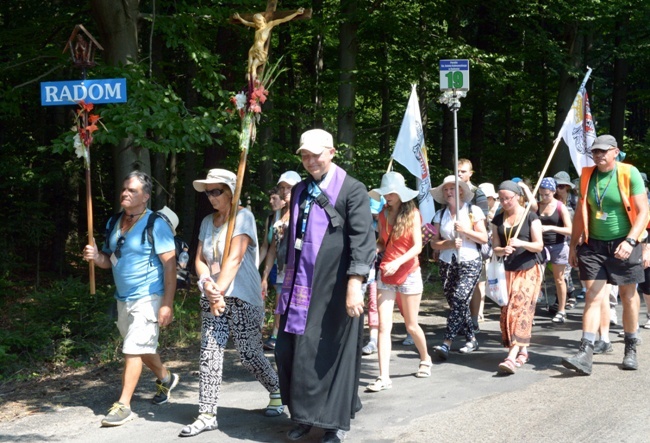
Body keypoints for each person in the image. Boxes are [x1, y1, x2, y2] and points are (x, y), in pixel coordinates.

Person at [274, 129, 375, 443]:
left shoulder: (353, 190)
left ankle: (334, 423)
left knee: (330, 352)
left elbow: (363, 240)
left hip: (336, 286)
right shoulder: (302, 189)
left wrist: (354, 283)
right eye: (304, 155)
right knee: (291, 350)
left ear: (332, 152)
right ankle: (303, 416)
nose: (309, 160)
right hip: (300, 284)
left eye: (315, 154)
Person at [179, 169, 283, 437]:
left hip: (241, 296)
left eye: (217, 191)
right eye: (208, 192)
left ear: (231, 192)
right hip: (213, 295)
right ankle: (207, 413)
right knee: (210, 351)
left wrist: (219, 290)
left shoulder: (243, 217)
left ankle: (276, 389)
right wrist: (207, 285)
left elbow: (235, 259)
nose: (211, 197)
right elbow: (199, 260)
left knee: (249, 354)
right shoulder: (206, 221)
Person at [82, 171, 178, 427]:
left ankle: (123, 404)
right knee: (142, 347)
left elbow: (170, 265)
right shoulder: (114, 221)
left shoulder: (155, 223)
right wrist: (95, 256)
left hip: (149, 295)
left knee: (132, 349)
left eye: (132, 190)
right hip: (122, 297)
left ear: (145, 197)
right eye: (124, 189)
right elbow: (107, 260)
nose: (125, 193)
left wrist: (167, 303)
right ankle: (166, 377)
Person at [562, 135, 649, 375]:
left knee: (629, 295)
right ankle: (585, 351)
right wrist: (572, 246)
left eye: (603, 151)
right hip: (594, 245)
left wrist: (631, 241)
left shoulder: (629, 172)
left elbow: (643, 212)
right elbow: (581, 212)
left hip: (624, 243)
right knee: (593, 295)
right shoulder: (587, 175)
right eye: (595, 152)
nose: (598, 156)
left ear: (615, 152)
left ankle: (630, 347)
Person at [365, 172, 431, 392]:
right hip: (387, 273)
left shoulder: (413, 213)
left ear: (401, 194)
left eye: (391, 192)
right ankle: (384, 377)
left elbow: (417, 247)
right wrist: (376, 248)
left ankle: (425, 358)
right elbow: (384, 243)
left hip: (409, 272)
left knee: (411, 325)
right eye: (385, 193)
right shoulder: (382, 215)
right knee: (384, 326)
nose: (387, 196)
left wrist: (398, 262)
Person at [429, 176, 488, 359]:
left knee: (460, 297)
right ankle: (471, 338)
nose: (448, 193)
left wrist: (465, 230)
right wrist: (448, 243)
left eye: (452, 189)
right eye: (445, 190)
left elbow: (484, 238)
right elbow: (433, 243)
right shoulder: (440, 215)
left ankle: (447, 342)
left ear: (460, 191)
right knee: (456, 303)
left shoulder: (473, 211)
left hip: (470, 260)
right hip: (448, 262)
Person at [491, 180, 544, 374]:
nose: (505, 202)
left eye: (508, 198)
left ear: (518, 197)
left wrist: (522, 242)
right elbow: (495, 247)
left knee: (519, 309)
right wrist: (502, 248)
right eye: (501, 199)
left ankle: (511, 357)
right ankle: (523, 352)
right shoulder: (498, 220)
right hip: (507, 270)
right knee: (507, 311)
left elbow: (539, 245)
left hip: (528, 268)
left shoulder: (531, 217)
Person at [261, 170, 301, 350]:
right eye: (282, 188)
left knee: (295, 303)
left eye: (290, 188)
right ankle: (278, 336)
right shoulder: (278, 216)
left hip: (299, 268)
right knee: (279, 302)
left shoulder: (302, 213)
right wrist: (264, 275)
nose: (285, 191)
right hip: (282, 266)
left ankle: (291, 337)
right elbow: (271, 248)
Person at [458, 159, 490, 331]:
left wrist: (466, 229)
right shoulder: (450, 191)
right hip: (455, 245)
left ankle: (474, 319)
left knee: (477, 282)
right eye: (457, 171)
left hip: (474, 242)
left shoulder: (478, 193)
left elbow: (484, 220)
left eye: (463, 171)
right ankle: (461, 318)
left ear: (470, 173)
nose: (459, 174)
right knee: (458, 283)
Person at [232, 8, 305, 81]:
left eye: (259, 22)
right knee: (250, 68)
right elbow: (247, 23)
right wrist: (239, 18)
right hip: (253, 49)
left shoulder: (269, 25)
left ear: (263, 19)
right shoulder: (256, 27)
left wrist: (296, 13)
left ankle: (253, 84)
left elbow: (284, 19)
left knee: (254, 66)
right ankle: (250, 82)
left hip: (260, 51)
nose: (258, 24)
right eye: (256, 23)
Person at [536, 177, 572, 324]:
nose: (544, 198)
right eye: (542, 194)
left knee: (559, 279)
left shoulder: (560, 207)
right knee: (537, 278)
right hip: (540, 246)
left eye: (547, 194)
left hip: (558, 245)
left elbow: (569, 230)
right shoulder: (536, 206)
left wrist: (551, 227)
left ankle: (561, 310)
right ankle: (530, 310)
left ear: (553, 192)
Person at [362, 196, 385, 356]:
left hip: (386, 269)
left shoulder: (388, 223)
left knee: (377, 304)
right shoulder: (365, 223)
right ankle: (372, 339)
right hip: (368, 268)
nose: (374, 215)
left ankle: (375, 339)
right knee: (370, 303)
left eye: (377, 213)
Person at [553, 171, 579, 309]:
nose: (558, 189)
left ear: (567, 187)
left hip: (571, 239)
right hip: (556, 239)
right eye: (556, 186)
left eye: (561, 186)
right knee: (562, 272)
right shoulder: (550, 199)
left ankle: (565, 299)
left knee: (565, 271)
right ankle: (568, 296)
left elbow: (579, 219)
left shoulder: (574, 200)